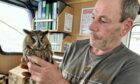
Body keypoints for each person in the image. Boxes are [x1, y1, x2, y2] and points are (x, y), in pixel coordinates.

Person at [21, 0, 140, 84]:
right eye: (93, 17)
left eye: (103, 20)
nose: (91, 26)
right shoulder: (75, 47)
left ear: (125, 27)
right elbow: (60, 76)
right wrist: (43, 75)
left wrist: (57, 82)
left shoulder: (133, 67)